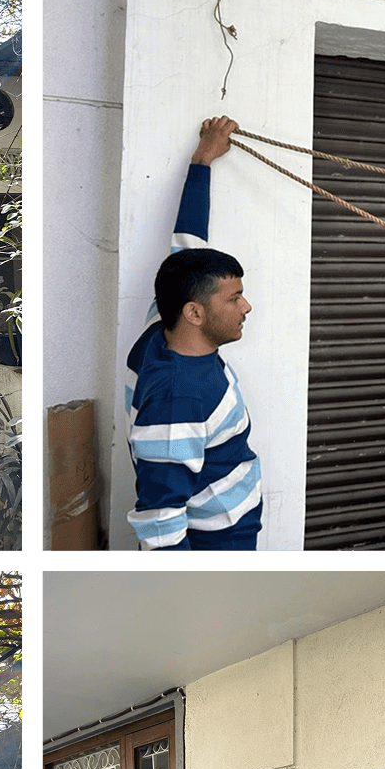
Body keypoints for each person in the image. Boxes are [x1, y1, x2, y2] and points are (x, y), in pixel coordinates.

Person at [126, 116, 263, 550]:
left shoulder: (162, 321)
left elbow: (188, 243)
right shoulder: (177, 402)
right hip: (218, 543)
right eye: (234, 298)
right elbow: (160, 522)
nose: (246, 307)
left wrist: (203, 159)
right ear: (195, 313)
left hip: (228, 522)